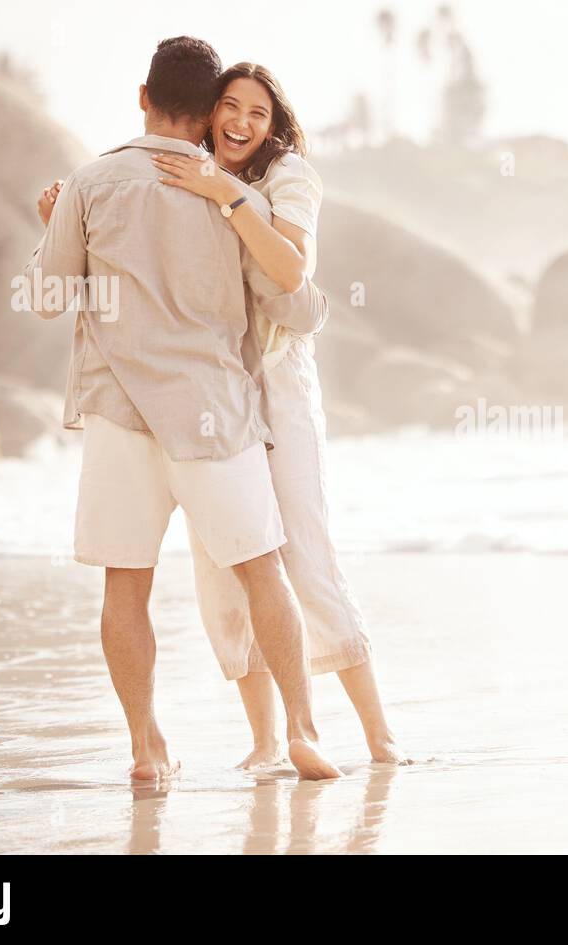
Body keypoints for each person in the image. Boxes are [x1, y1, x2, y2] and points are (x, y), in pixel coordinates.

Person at [23, 37, 341, 782]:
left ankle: (146, 747)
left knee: (124, 584)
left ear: (143, 97)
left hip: (119, 415)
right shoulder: (236, 198)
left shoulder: (90, 183)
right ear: (206, 118)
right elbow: (289, 299)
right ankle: (300, 728)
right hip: (213, 413)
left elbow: (44, 299)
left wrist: (53, 226)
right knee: (262, 571)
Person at [144, 62, 411, 768]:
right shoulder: (190, 173)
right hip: (214, 389)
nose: (239, 122)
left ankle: (380, 738)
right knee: (225, 564)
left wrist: (224, 192)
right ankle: (266, 742)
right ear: (207, 114)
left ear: (274, 124)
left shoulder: (289, 176)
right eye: (228, 106)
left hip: (279, 382)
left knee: (304, 554)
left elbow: (291, 268)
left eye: (256, 113)